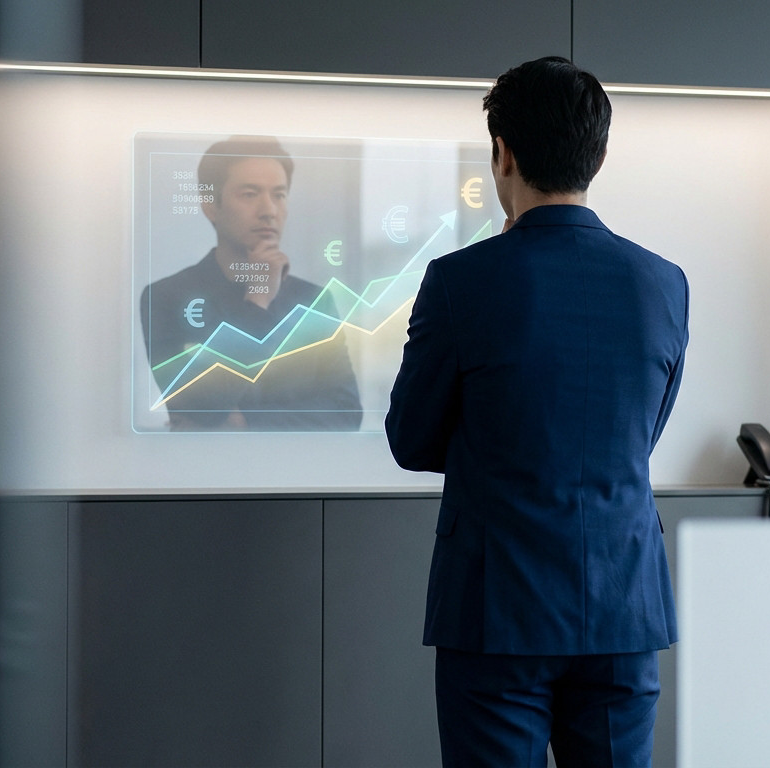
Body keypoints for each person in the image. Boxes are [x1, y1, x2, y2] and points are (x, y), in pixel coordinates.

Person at [385, 57, 689, 767]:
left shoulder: (460, 281)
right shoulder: (662, 283)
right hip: (623, 605)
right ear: (600, 154)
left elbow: (411, 437)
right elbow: (640, 431)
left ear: (503, 153)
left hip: (498, 613)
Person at [140, 136, 362, 431]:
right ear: (211, 207)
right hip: (206, 475)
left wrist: (248, 422)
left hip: (301, 474)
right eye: (249, 194)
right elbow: (199, 402)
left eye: (279, 195)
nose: (268, 210)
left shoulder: (314, 300)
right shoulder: (166, 297)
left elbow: (346, 414)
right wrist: (259, 297)